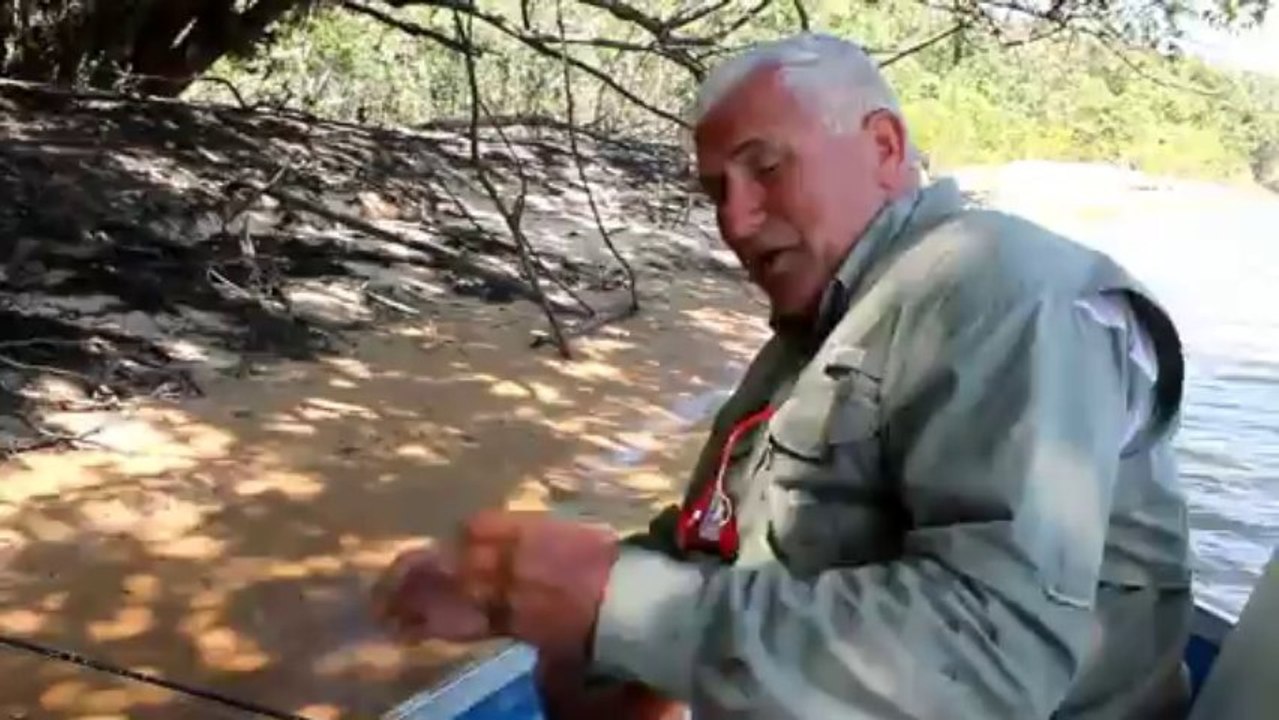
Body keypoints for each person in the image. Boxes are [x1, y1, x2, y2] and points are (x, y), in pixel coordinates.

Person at [371, 33, 1194, 719]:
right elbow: (721, 533)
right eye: (714, 191)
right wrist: (510, 594)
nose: (733, 219)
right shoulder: (822, 328)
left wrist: (616, 605)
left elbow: (988, 658)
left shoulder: (1005, 290)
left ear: (883, 149)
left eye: (765, 169)